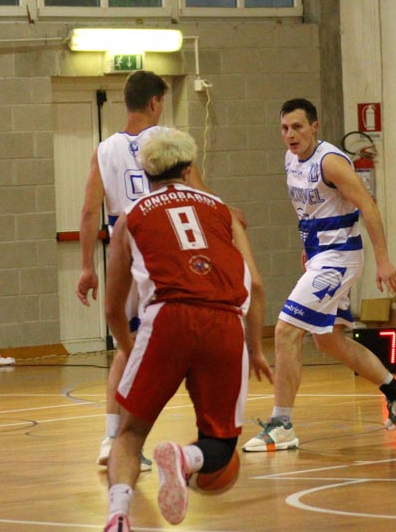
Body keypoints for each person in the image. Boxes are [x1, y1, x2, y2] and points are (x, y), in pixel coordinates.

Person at [101, 128, 271, 531]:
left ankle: (118, 516)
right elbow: (256, 284)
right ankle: (186, 458)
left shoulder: (131, 216)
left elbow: (112, 307)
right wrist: (256, 349)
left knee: (129, 434)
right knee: (221, 445)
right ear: (189, 166)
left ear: (146, 171)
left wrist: (128, 349)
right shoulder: (222, 210)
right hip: (225, 321)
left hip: (168, 319)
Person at [243, 98, 396, 453]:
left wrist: (383, 261)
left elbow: (367, 205)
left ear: (314, 126)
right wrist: (309, 247)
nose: (290, 135)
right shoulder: (290, 159)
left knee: (285, 330)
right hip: (321, 256)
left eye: (297, 127)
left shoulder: (330, 161)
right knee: (328, 340)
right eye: (284, 128)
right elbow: (312, 209)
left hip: (339, 258)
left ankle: (281, 425)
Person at [77, 70, 214, 471]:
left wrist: (87, 267)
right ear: (155, 102)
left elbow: (88, 212)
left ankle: (111, 437)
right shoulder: (171, 141)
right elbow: (199, 196)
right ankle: (207, 436)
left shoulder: (104, 149)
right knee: (185, 341)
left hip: (124, 247)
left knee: (127, 347)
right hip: (163, 247)